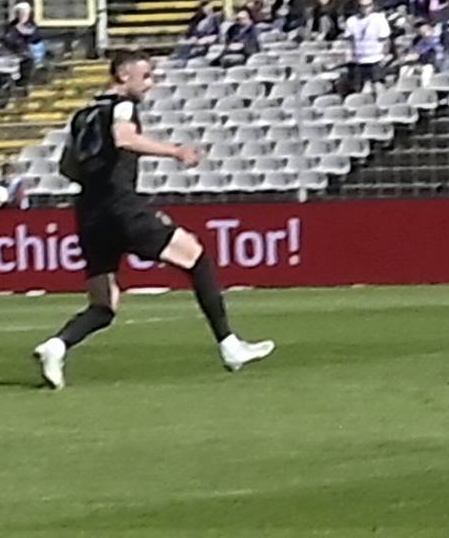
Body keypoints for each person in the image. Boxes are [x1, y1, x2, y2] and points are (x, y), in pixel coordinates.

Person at [31, 51, 275, 388]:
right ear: (123, 76)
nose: (150, 83)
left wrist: (97, 176)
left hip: (88, 212)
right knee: (196, 256)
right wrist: (176, 151)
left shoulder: (83, 115)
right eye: (145, 76)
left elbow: (67, 167)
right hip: (121, 206)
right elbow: (124, 138)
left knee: (104, 305)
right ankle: (230, 345)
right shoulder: (123, 106)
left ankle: (57, 345)